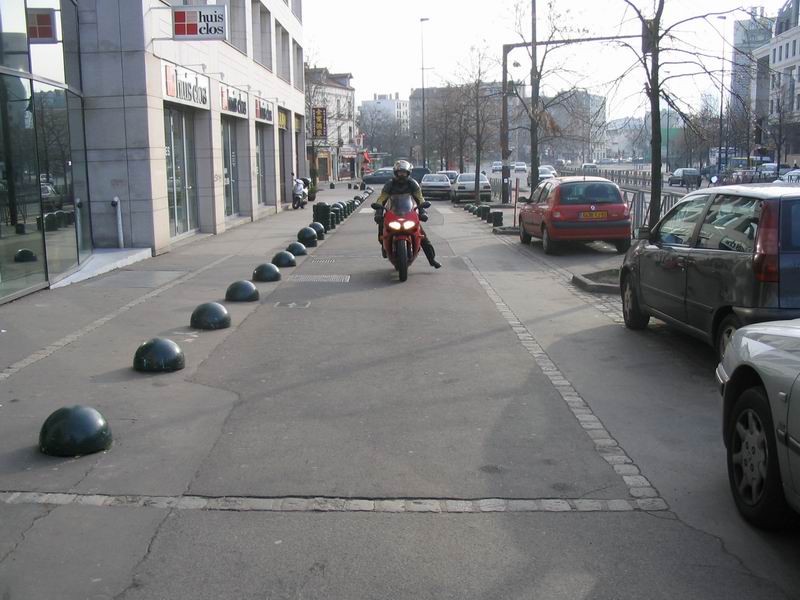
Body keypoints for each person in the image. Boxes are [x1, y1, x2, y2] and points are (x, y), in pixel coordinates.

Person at [374, 160, 441, 269]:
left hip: (409, 214)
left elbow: (419, 198)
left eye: (404, 172)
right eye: (400, 172)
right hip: (393, 212)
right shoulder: (389, 184)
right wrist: (378, 212)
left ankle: (432, 259)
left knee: (422, 237)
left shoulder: (413, 184)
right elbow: (382, 198)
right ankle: (384, 247)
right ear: (395, 172)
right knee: (382, 231)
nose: (402, 175)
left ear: (408, 173)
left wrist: (423, 211)